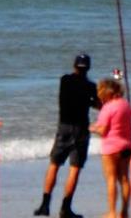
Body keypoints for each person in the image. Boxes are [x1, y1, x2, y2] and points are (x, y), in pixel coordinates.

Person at [35, 52, 99, 218]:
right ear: (88, 68)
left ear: (74, 66)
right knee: (74, 169)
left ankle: (45, 204)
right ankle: (65, 208)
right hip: (81, 130)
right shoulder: (91, 86)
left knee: (54, 164)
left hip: (64, 127)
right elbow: (98, 105)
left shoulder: (65, 81)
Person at [89, 76, 131, 218]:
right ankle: (125, 211)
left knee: (111, 179)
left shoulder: (107, 108)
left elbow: (103, 130)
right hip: (126, 145)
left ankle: (112, 212)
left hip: (111, 147)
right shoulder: (126, 105)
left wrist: (91, 128)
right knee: (124, 179)